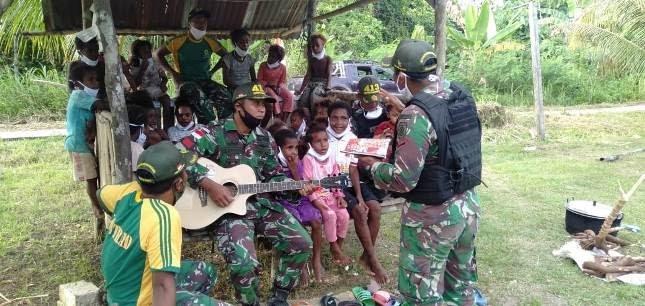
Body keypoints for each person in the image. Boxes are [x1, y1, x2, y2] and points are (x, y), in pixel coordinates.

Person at [358, 39, 482, 305]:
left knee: (420, 295)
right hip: (467, 206)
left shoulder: (416, 116)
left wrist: (372, 166)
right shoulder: (459, 94)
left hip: (432, 217)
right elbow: (444, 132)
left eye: (394, 74)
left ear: (401, 76)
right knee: (460, 287)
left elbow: (403, 179)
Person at [176, 82, 313, 306]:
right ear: (239, 106)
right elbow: (179, 153)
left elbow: (273, 176)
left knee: (301, 244)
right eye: (256, 103)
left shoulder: (265, 138)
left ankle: (279, 298)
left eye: (265, 105)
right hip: (226, 211)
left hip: (261, 206)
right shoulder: (213, 131)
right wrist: (209, 184)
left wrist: (294, 185)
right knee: (244, 264)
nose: (262, 109)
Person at [97, 142, 229, 305]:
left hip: (121, 292)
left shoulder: (128, 192)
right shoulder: (164, 216)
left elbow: (100, 194)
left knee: (206, 272)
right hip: (136, 302)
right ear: (179, 184)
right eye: (185, 172)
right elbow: (162, 286)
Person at [326, 102, 388, 284]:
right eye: (335, 118)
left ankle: (365, 257)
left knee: (375, 208)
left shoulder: (353, 139)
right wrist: (358, 202)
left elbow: (353, 169)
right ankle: (374, 260)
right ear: (329, 118)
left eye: (343, 118)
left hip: (354, 181)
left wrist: (360, 197)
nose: (339, 122)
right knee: (360, 212)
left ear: (349, 120)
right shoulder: (322, 137)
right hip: (334, 183)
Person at [154, 8, 231, 119]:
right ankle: (206, 128)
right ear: (190, 23)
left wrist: (213, 71)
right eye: (198, 21)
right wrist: (174, 74)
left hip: (205, 80)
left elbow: (226, 56)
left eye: (204, 21)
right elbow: (158, 54)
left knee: (224, 94)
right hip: (185, 82)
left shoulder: (210, 41)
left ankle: (225, 126)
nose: (201, 24)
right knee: (199, 96)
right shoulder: (179, 41)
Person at [273, 128, 325, 283]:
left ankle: (316, 259)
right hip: (283, 201)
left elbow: (302, 188)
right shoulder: (274, 164)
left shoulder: (298, 162)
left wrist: (295, 168)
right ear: (279, 149)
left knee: (316, 220)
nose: (294, 152)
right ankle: (301, 266)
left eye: (296, 147)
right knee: (295, 221)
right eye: (289, 148)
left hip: (300, 199)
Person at [301, 122, 351, 267]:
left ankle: (337, 247)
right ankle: (335, 247)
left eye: (325, 140)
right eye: (318, 141)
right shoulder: (308, 159)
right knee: (329, 215)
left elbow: (335, 179)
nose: (323, 145)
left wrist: (340, 196)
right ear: (310, 144)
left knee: (344, 215)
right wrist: (317, 203)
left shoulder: (331, 156)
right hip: (316, 198)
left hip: (331, 196)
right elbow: (307, 185)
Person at [65, 64, 102, 222]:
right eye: (90, 80)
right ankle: (98, 211)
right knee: (91, 179)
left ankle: (98, 208)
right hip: (78, 144)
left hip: (85, 144)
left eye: (96, 79)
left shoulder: (84, 95)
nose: (95, 83)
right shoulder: (79, 95)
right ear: (78, 83)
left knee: (94, 177)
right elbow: (99, 105)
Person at [129, 39, 173, 130]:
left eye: (148, 50)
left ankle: (167, 128)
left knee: (167, 101)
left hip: (157, 90)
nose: (147, 52)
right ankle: (151, 129)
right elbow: (135, 84)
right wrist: (142, 69)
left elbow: (164, 77)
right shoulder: (135, 64)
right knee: (151, 110)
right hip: (143, 93)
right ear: (137, 53)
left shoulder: (155, 61)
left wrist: (163, 84)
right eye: (144, 50)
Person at [257, 45, 294, 121]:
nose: (270, 58)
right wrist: (269, 85)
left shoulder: (282, 67)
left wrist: (278, 87)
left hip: (277, 87)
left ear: (278, 59)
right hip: (266, 87)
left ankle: (284, 119)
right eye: (269, 55)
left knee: (290, 96)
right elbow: (259, 80)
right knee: (274, 97)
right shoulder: (263, 65)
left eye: (273, 56)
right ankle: (278, 115)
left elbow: (282, 81)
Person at [296, 33, 332, 110]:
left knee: (314, 96)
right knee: (303, 99)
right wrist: (301, 89)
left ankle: (314, 119)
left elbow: (329, 74)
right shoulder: (311, 60)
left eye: (317, 45)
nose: (315, 48)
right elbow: (308, 75)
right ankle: (307, 119)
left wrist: (328, 87)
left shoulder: (328, 59)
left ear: (323, 45)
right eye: (313, 46)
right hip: (311, 84)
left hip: (322, 84)